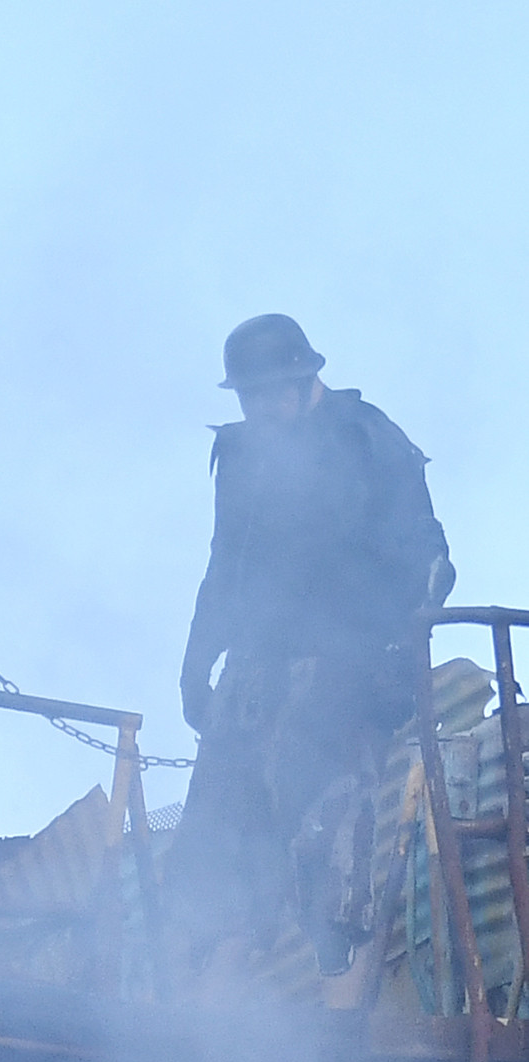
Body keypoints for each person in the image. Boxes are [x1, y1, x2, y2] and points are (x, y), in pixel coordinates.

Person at [172, 313, 454, 976]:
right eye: (249, 396)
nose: (260, 409)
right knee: (217, 852)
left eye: (270, 392)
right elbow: (225, 563)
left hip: (347, 670)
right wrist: (196, 661)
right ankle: (216, 997)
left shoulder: (367, 439)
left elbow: (432, 563)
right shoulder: (242, 455)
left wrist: (395, 658)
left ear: (304, 379)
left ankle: (336, 1001)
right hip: (256, 670)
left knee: (329, 854)